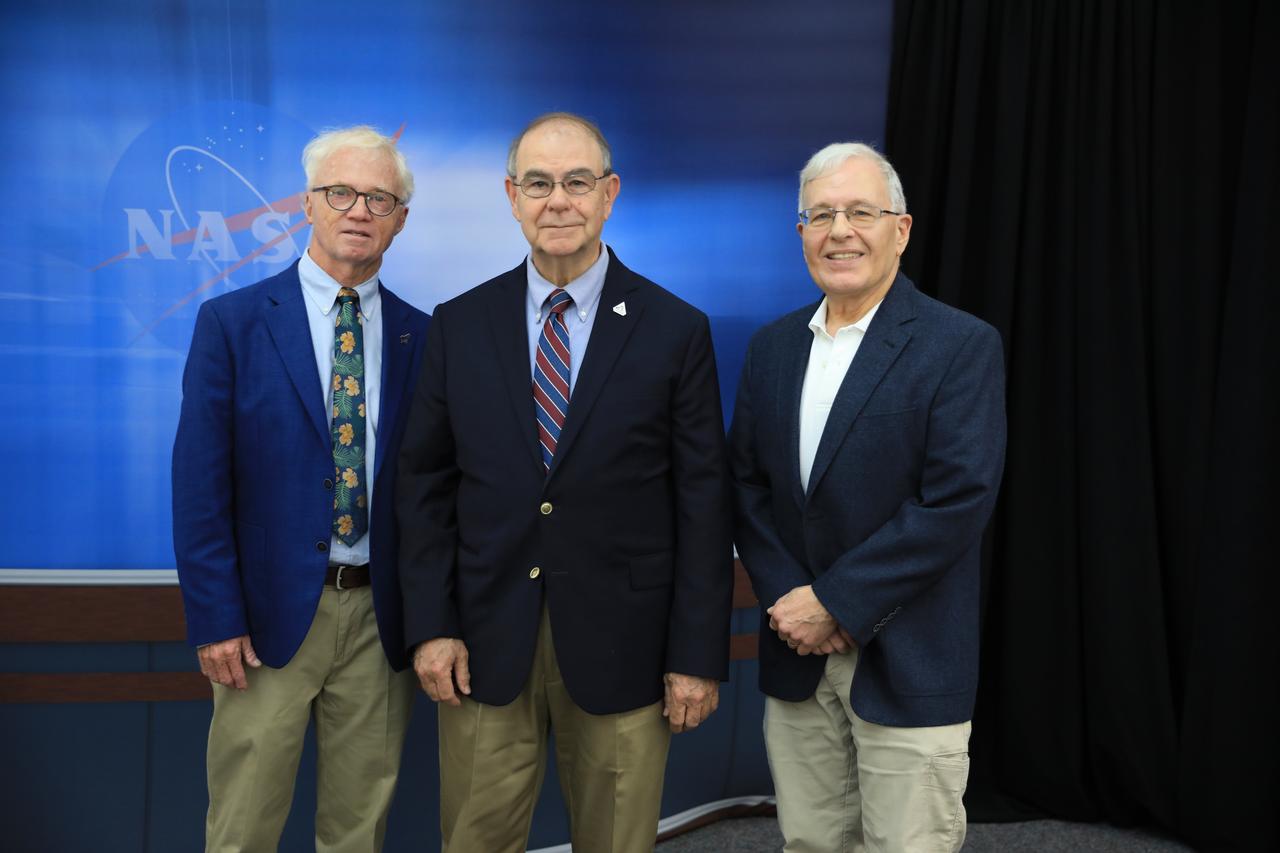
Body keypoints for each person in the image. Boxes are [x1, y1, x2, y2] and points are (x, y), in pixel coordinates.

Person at [396, 111, 733, 853]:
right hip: (483, 644)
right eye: (539, 183)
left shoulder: (675, 329)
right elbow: (423, 488)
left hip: (629, 649)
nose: (558, 201)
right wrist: (432, 626)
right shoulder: (460, 324)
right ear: (511, 196)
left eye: (577, 182)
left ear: (609, 194)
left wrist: (696, 655)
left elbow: (704, 505)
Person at [729, 142, 1006, 852]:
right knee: (810, 843)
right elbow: (748, 488)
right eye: (820, 215)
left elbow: (956, 500)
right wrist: (793, 602)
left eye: (860, 212)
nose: (839, 231)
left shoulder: (959, 345)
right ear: (801, 233)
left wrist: (836, 602)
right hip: (797, 657)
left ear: (901, 229)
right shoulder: (771, 349)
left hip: (910, 658)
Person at [172, 125, 430, 851]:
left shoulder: (423, 336)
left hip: (381, 619)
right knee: (243, 827)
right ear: (307, 204)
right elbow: (199, 486)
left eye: (379, 198)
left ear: (400, 219)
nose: (359, 210)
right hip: (263, 622)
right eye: (340, 192)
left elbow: (433, 489)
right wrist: (215, 617)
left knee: (358, 829)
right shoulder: (232, 323)